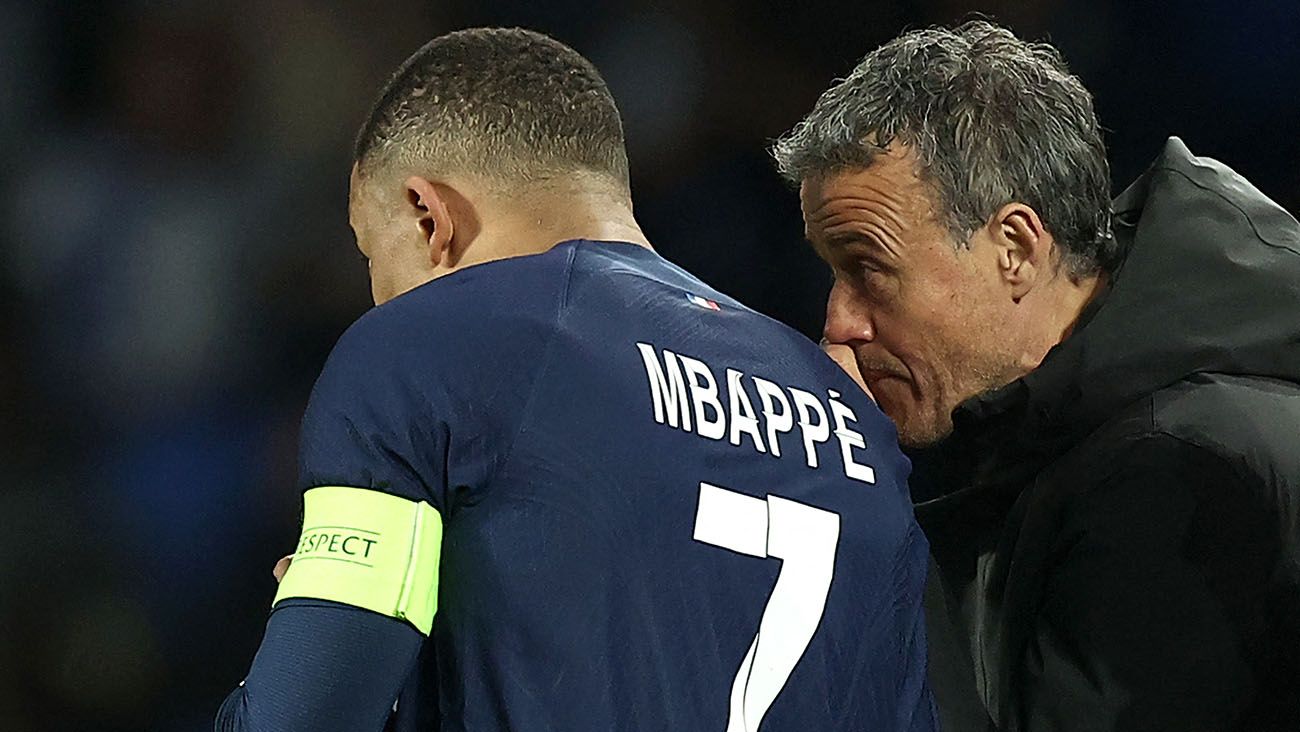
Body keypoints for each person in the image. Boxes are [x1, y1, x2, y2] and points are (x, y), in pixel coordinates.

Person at [216, 27, 937, 732]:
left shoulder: (426, 340)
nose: (381, 299)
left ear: (427, 216)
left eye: (375, 258)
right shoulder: (858, 428)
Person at [773, 19, 1300, 732]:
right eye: (832, 275)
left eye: (868, 269)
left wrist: (855, 489)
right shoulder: (1093, 427)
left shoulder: (1179, 468)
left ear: (1015, 248)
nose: (839, 324)